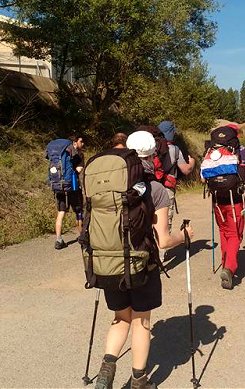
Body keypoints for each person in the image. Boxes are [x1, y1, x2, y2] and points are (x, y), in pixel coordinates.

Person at [94, 130, 194, 389]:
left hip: (107, 262)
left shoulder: (104, 183)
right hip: (141, 265)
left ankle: (107, 368)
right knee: (141, 321)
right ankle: (139, 381)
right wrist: (184, 236)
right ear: (153, 156)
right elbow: (163, 240)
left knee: (120, 318)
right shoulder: (157, 190)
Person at [205, 124, 245, 290]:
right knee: (235, 234)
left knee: (224, 231)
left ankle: (224, 262)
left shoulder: (211, 150)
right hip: (236, 199)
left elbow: (203, 178)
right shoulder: (241, 149)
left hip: (217, 199)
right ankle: (229, 268)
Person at [157, 121, 196, 235]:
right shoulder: (174, 149)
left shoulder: (151, 147)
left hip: (151, 187)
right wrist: (192, 163)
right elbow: (186, 169)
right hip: (166, 188)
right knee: (165, 219)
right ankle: (162, 249)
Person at [53, 134, 85, 250]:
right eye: (81, 141)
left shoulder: (60, 155)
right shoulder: (79, 155)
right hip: (73, 187)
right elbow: (79, 170)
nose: (83, 144)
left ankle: (58, 239)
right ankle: (82, 237)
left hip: (60, 187)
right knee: (79, 212)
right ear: (74, 143)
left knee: (61, 213)